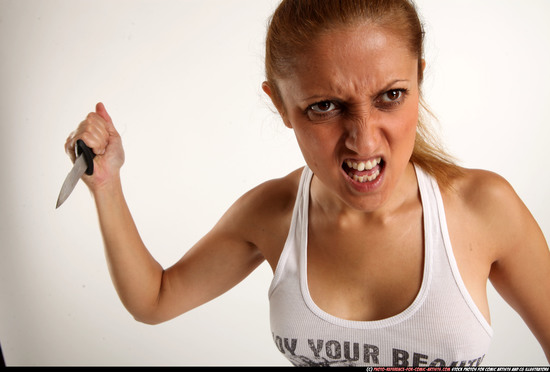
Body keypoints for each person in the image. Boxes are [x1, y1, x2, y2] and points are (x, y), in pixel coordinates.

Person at [63, 0, 550, 367]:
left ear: (419, 83)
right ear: (280, 105)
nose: (362, 140)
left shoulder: (485, 209)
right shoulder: (272, 214)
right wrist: (106, 184)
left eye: (391, 96)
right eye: (324, 106)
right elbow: (155, 300)